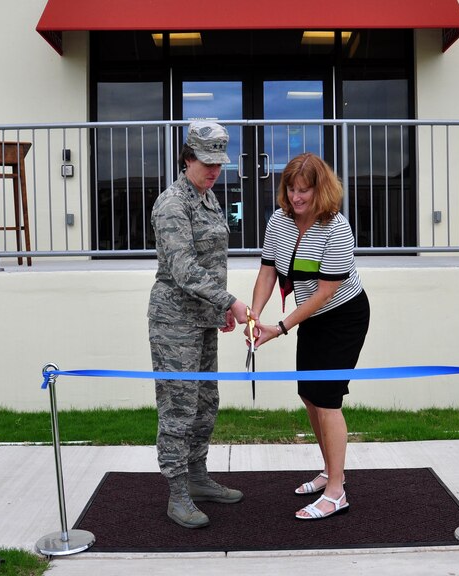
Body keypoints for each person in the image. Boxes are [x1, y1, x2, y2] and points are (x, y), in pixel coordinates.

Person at [248, 152, 370, 521]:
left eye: (305, 190)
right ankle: (331, 472)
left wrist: (280, 328)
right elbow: (268, 271)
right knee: (308, 394)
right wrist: (255, 317)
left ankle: (337, 493)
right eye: (291, 189)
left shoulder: (337, 228)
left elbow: (324, 293)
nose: (297, 197)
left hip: (343, 316)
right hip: (311, 317)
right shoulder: (279, 223)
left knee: (327, 398)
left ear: (322, 190)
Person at [148, 121, 250, 529]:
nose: (213, 170)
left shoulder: (207, 199)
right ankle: (176, 494)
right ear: (187, 157)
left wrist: (218, 310)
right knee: (178, 406)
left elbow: (211, 263)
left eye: (218, 164)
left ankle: (198, 476)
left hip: (202, 319)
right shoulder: (173, 203)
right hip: (174, 322)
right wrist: (230, 301)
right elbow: (184, 269)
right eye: (206, 163)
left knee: (206, 402)